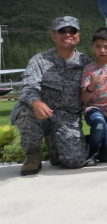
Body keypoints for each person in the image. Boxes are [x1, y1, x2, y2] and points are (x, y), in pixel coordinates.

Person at [11, 17, 91, 176]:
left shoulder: (85, 62)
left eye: (72, 30)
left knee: (74, 161)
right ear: (53, 36)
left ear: (78, 36)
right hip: (42, 115)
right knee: (25, 110)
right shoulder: (39, 60)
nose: (68, 34)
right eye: (62, 30)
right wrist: (36, 102)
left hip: (67, 117)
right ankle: (33, 155)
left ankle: (56, 145)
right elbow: (28, 87)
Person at [80, 28, 107, 166]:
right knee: (98, 124)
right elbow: (84, 99)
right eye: (98, 46)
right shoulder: (89, 69)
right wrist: (92, 85)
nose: (102, 51)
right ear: (92, 47)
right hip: (94, 109)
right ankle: (91, 153)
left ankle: (91, 142)